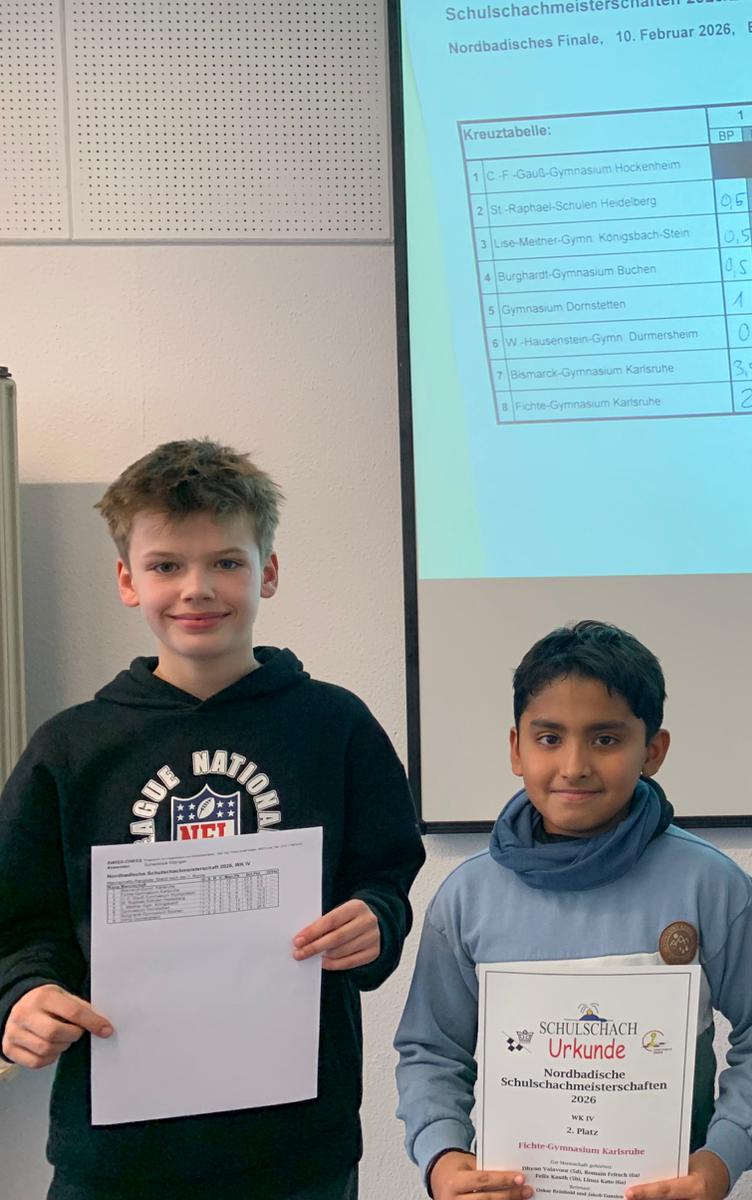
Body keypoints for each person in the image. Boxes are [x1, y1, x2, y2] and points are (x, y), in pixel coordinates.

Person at [0, 438, 425, 1199]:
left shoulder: (335, 727)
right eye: (166, 565)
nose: (196, 589)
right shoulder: (70, 749)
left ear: (268, 570)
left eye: (226, 562)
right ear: (128, 580)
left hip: (296, 1149)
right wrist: (25, 994)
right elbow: (21, 920)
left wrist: (376, 919)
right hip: (116, 1158)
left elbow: (385, 876)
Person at [394, 620, 752, 1200]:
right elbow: (431, 1050)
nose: (574, 765)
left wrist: (719, 1159)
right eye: (549, 738)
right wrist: (443, 1157)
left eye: (605, 739)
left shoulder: (712, 886)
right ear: (516, 748)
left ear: (653, 751)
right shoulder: (467, 898)